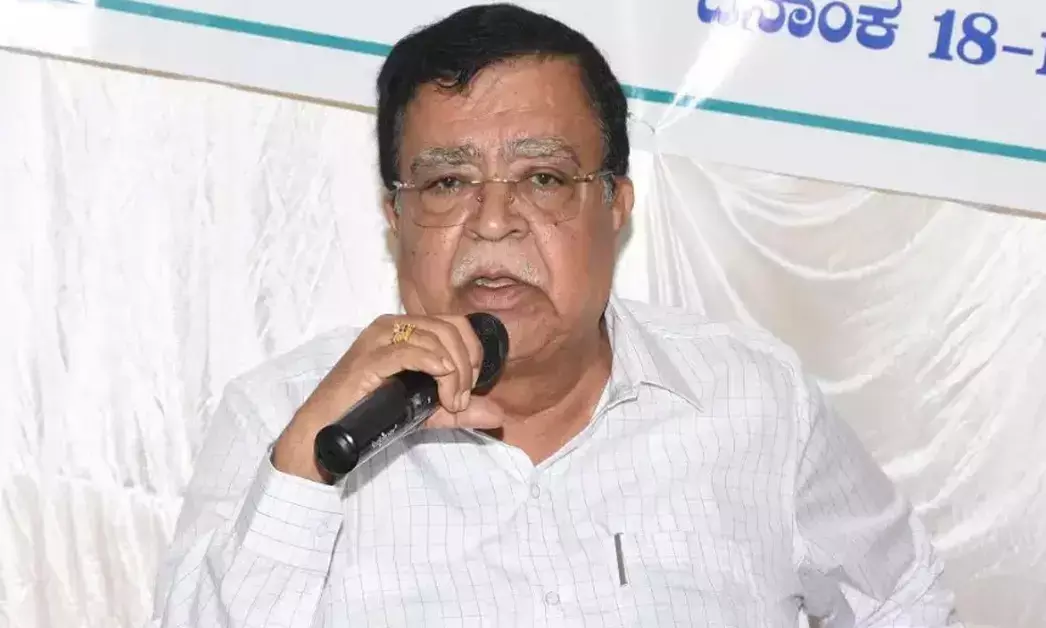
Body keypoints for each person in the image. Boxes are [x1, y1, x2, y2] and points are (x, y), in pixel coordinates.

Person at [150, 4, 962, 627]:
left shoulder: (754, 399)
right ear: (396, 218)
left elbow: (905, 600)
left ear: (615, 206)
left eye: (542, 179)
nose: (493, 222)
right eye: (447, 184)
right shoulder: (283, 418)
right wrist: (306, 469)